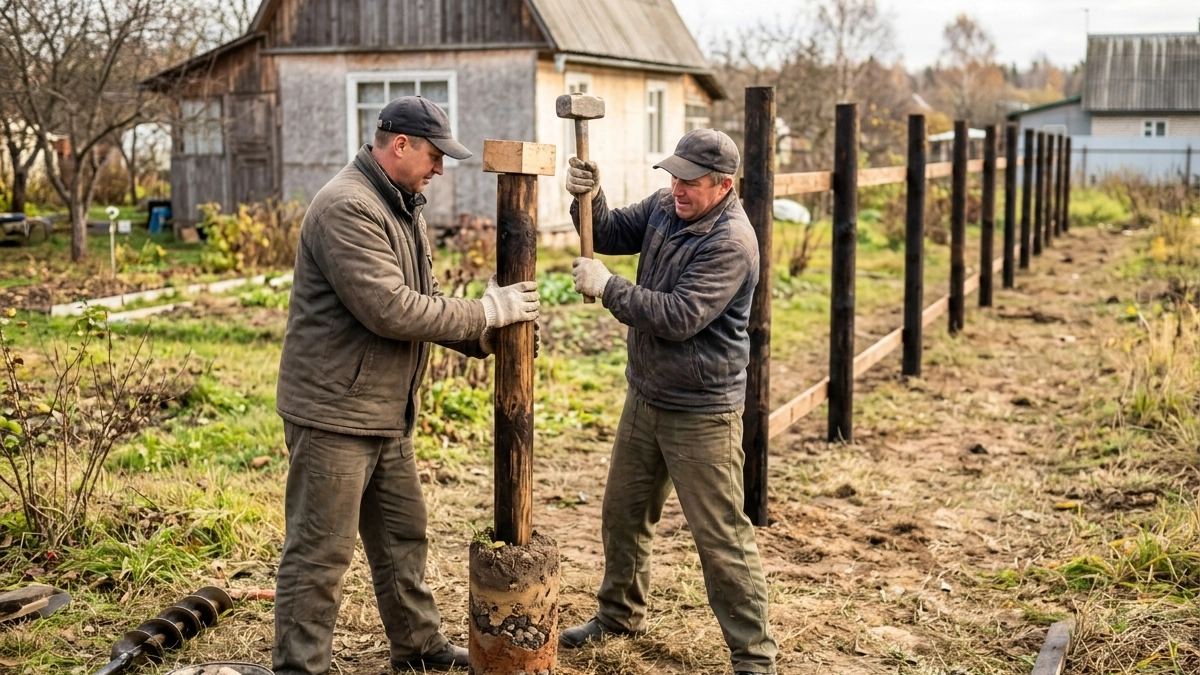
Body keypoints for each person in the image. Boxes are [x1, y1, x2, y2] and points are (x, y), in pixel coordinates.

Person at [272, 96, 539, 674]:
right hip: (334, 413)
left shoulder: (402, 205)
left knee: (402, 536)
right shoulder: (348, 206)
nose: (441, 168)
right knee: (319, 555)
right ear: (400, 146)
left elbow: (428, 302)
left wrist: (488, 337)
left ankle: (419, 649)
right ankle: (299, 667)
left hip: (382, 409)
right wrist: (486, 313)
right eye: (434, 155)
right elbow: (389, 310)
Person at [559, 129, 778, 675]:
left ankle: (754, 659)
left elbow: (679, 317)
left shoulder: (730, 242)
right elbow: (607, 232)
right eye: (674, 175)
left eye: (690, 180)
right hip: (647, 393)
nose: (677, 188)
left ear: (723, 184)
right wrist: (588, 196)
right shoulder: (665, 206)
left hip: (701, 410)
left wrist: (608, 288)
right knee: (623, 514)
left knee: (720, 537)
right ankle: (619, 616)